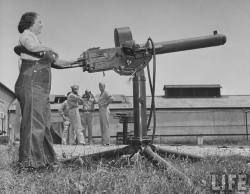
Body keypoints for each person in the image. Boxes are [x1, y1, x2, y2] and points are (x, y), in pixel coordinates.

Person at [14, 12, 74, 170]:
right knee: (34, 124)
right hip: (31, 84)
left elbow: (58, 62)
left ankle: (45, 161)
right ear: (31, 23)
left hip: (40, 88)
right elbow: (31, 47)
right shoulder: (26, 35)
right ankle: (30, 164)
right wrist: (51, 48)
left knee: (44, 124)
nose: (42, 25)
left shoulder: (38, 42)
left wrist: (78, 62)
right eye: (39, 21)